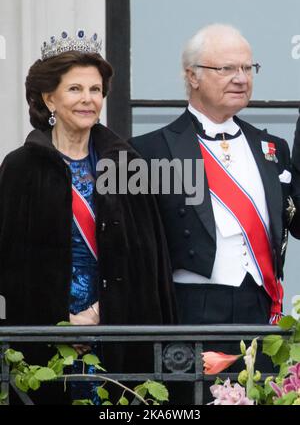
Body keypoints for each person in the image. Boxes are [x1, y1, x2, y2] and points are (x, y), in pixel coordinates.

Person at [0, 30, 177, 403]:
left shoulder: (127, 164)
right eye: (75, 89)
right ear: (49, 98)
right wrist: (61, 324)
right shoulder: (21, 168)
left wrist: (100, 314)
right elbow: (11, 267)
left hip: (119, 333)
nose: (88, 100)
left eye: (95, 90)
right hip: (47, 343)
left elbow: (149, 260)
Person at [130, 24, 300, 327]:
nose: (241, 79)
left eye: (248, 68)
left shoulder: (273, 148)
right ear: (192, 75)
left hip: (261, 312)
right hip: (190, 314)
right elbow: (130, 247)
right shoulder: (148, 151)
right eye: (227, 68)